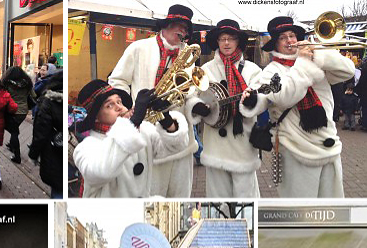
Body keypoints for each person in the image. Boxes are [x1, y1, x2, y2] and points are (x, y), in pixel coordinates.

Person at [244, 16, 355, 197]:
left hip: (329, 143)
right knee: (301, 213)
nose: (290, 40)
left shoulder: (313, 60)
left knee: (332, 209)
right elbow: (286, 96)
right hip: (296, 148)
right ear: (275, 44)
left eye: (292, 35)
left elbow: (348, 71)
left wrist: (318, 54)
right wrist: (303, 64)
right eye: (283, 37)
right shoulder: (271, 71)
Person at [108, 4, 197, 197]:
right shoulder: (138, 47)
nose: (181, 31)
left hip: (179, 135)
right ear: (165, 26)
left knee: (181, 194)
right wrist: (132, 109)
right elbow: (117, 81)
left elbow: (191, 91)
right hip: (147, 134)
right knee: (150, 192)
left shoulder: (188, 55)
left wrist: (194, 105)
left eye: (185, 28)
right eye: (177, 25)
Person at [73, 79, 189, 197]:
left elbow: (176, 147)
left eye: (119, 102)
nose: (119, 107)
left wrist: (167, 120)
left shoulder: (142, 130)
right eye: (109, 105)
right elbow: (102, 172)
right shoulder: (85, 148)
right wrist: (133, 123)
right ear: (95, 117)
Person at [186, 20, 262, 197]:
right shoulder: (205, 69)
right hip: (215, 145)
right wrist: (196, 106)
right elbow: (191, 94)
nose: (226, 43)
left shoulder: (252, 70)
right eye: (222, 39)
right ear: (217, 42)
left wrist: (253, 102)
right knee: (218, 199)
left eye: (231, 38)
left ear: (238, 42)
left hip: (243, 142)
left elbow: (263, 100)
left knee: (246, 199)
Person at [29, 70, 63, 198]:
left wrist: (33, 154)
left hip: (53, 151)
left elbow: (40, 131)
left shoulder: (49, 101)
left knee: (58, 190)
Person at [2, 65, 36, 164]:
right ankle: (12, 146)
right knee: (14, 130)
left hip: (11, 110)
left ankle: (17, 156)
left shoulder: (7, 83)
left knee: (14, 132)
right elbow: (33, 95)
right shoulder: (27, 83)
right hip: (23, 111)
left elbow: (3, 95)